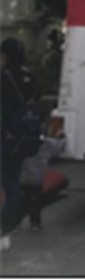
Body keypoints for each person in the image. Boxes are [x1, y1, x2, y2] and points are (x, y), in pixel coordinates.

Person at [1, 37, 40, 251]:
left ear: (5, 55)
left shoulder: (3, 76)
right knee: (13, 185)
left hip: (3, 136)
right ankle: (5, 231)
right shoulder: (31, 78)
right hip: (21, 138)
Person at [19, 125, 66, 232]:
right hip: (37, 178)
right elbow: (58, 150)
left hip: (22, 177)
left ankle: (16, 224)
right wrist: (62, 138)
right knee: (35, 201)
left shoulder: (20, 143)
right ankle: (35, 223)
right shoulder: (47, 144)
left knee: (20, 201)